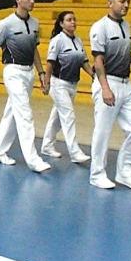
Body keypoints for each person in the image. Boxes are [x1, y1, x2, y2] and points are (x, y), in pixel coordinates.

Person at [0, 0, 50, 173]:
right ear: (18, 0)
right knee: (24, 114)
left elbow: (34, 50)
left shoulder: (34, 23)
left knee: (11, 113)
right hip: (13, 71)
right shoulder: (5, 24)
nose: (33, 1)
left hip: (28, 73)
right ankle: (33, 160)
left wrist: (41, 73)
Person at [89, 0, 131, 190]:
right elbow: (98, 60)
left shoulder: (127, 26)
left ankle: (125, 173)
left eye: (128, 2)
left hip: (126, 84)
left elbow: (125, 53)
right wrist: (105, 88)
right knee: (103, 131)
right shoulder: (100, 27)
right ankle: (97, 174)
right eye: (122, 1)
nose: (126, 5)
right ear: (110, 2)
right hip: (108, 82)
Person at [40, 11, 93, 163]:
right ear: (62, 24)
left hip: (73, 84)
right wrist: (47, 82)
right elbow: (50, 62)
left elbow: (83, 61)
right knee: (68, 115)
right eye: (69, 20)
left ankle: (47, 145)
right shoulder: (57, 40)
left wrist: (93, 75)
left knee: (56, 117)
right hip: (59, 84)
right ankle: (74, 152)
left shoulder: (78, 41)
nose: (73, 22)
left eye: (74, 20)